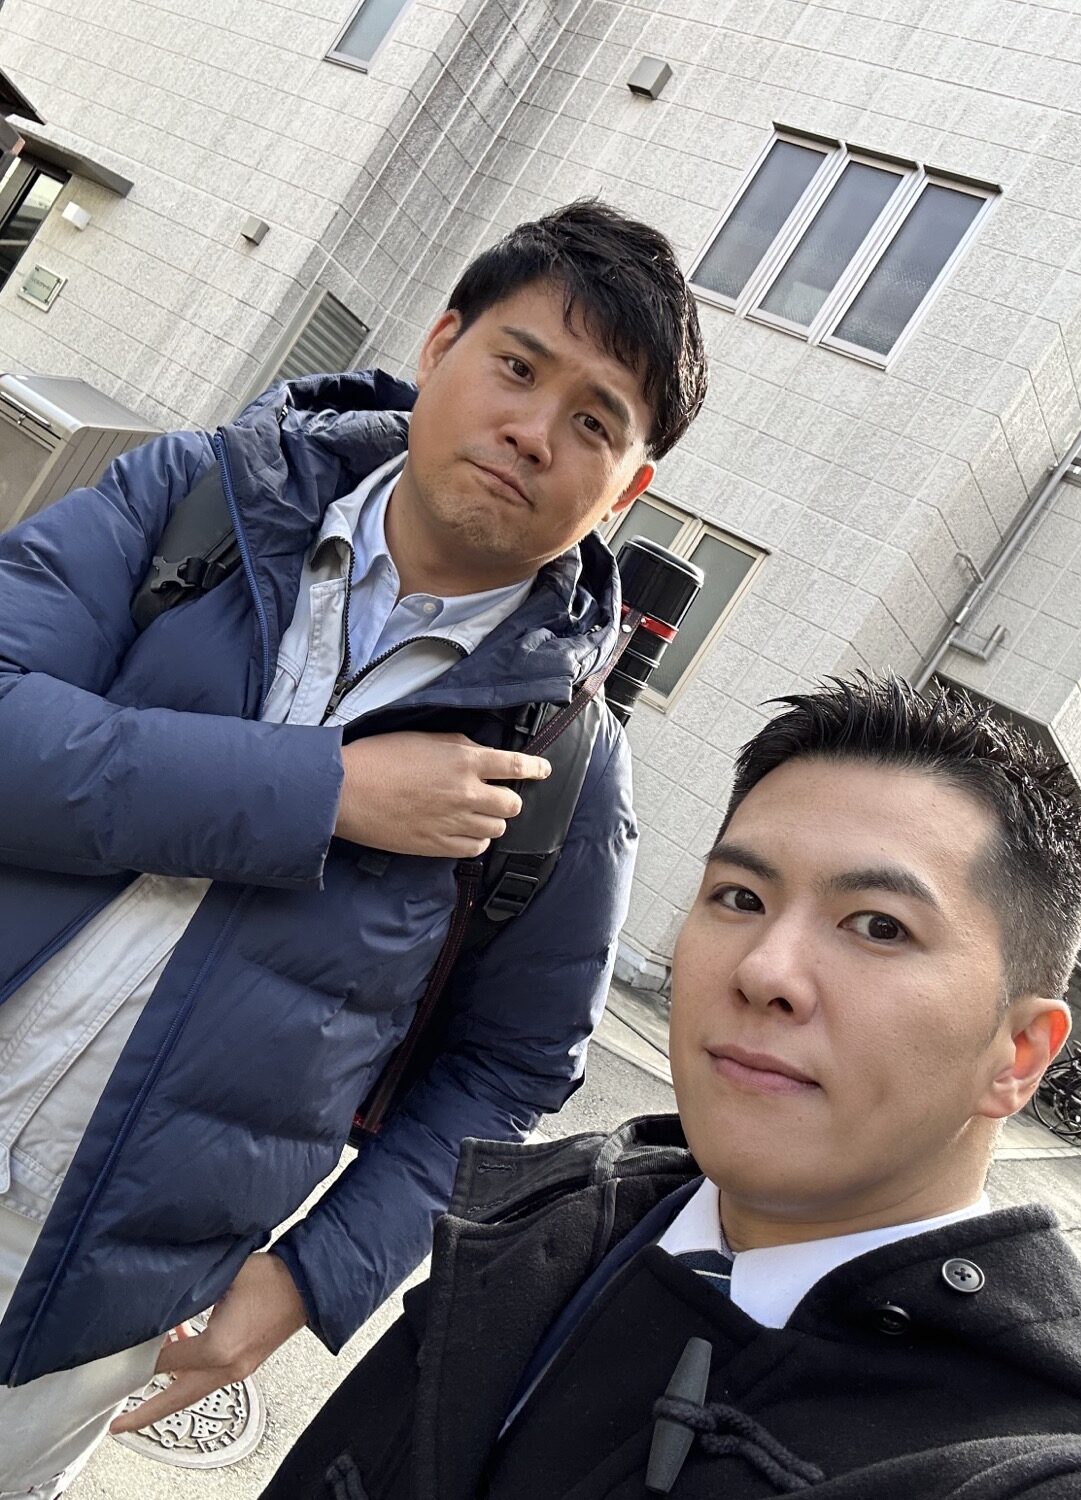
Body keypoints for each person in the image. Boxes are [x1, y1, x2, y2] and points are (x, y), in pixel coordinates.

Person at [0, 199, 708, 1496]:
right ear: (440, 345)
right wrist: (320, 792)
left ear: (628, 488)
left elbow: (510, 1066)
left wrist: (311, 1278)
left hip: (90, 1298)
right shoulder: (196, 502)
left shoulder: (566, 762)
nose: (534, 431)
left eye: (596, 422)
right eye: (517, 365)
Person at [263, 675, 1081, 1500]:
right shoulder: (543, 1223)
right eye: (740, 897)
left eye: (878, 925)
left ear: (1017, 1054)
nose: (763, 971)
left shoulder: (1011, 1461)